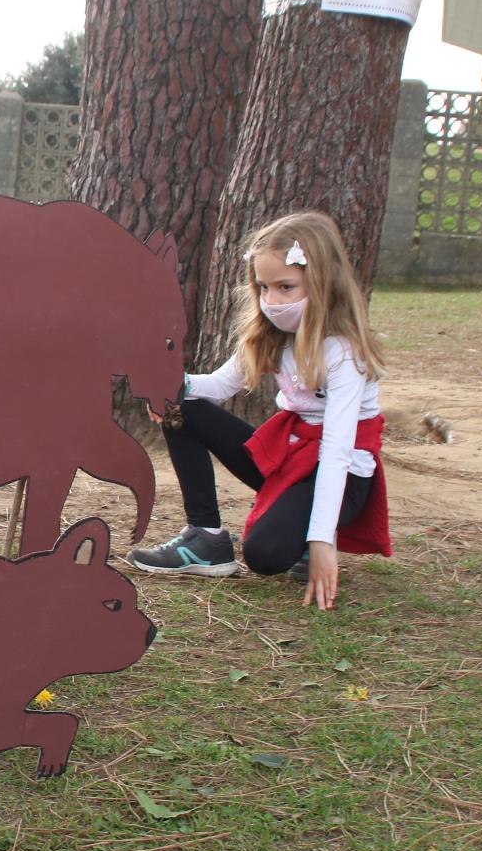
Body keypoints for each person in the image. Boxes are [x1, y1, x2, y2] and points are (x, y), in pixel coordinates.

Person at [127, 211, 391, 610]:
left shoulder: (343, 351)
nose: (272, 301)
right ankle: (206, 537)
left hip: (340, 474)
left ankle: (307, 535)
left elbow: (338, 450)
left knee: (265, 556)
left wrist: (321, 541)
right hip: (288, 456)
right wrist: (165, 383)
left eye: (286, 287)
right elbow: (217, 386)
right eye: (263, 288)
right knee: (181, 406)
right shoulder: (273, 335)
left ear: (322, 281)